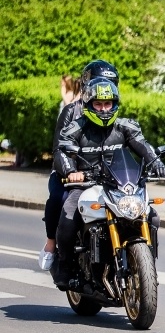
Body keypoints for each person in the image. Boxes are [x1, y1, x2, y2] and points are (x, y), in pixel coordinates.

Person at [52, 78, 165, 289]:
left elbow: (143, 146)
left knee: (152, 217)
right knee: (68, 217)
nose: (104, 109)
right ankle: (65, 266)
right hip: (87, 185)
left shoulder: (125, 126)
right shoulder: (75, 128)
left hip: (120, 186)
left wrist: (156, 162)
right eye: (98, 104)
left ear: (115, 104)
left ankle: (147, 267)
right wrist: (71, 171)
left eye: (108, 103)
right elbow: (61, 151)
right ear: (88, 104)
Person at [39, 60, 120, 272]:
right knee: (59, 199)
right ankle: (51, 244)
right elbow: (59, 148)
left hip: (104, 176)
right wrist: (71, 171)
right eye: (97, 82)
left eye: (110, 83)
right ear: (85, 85)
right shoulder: (71, 111)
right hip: (70, 174)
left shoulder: (111, 110)